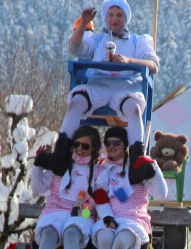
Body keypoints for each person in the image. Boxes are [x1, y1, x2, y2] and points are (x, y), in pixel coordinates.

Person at [37, 1, 159, 180]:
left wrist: (129, 61)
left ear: (126, 17)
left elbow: (153, 65)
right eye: (111, 15)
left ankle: (136, 160)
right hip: (97, 85)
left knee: (134, 109)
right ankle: (61, 153)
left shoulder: (137, 40)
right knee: (76, 102)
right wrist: (84, 24)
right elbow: (74, 48)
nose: (115, 19)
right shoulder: (97, 40)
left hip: (125, 86)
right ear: (105, 17)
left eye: (119, 15)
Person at [91, 125, 166, 249]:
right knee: (105, 239)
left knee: (120, 242)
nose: (111, 146)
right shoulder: (103, 168)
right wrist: (107, 216)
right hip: (110, 217)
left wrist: (153, 166)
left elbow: (161, 194)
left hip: (133, 219)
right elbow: (100, 194)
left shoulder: (138, 166)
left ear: (125, 145)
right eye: (108, 143)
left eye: (116, 142)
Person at [33, 124, 102, 249]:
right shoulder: (62, 165)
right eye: (77, 144)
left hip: (81, 211)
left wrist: (85, 206)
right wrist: (38, 164)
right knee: (48, 232)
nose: (80, 149)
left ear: (93, 149)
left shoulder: (97, 171)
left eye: (85, 146)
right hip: (56, 208)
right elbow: (38, 188)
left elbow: (98, 197)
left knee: (72, 232)